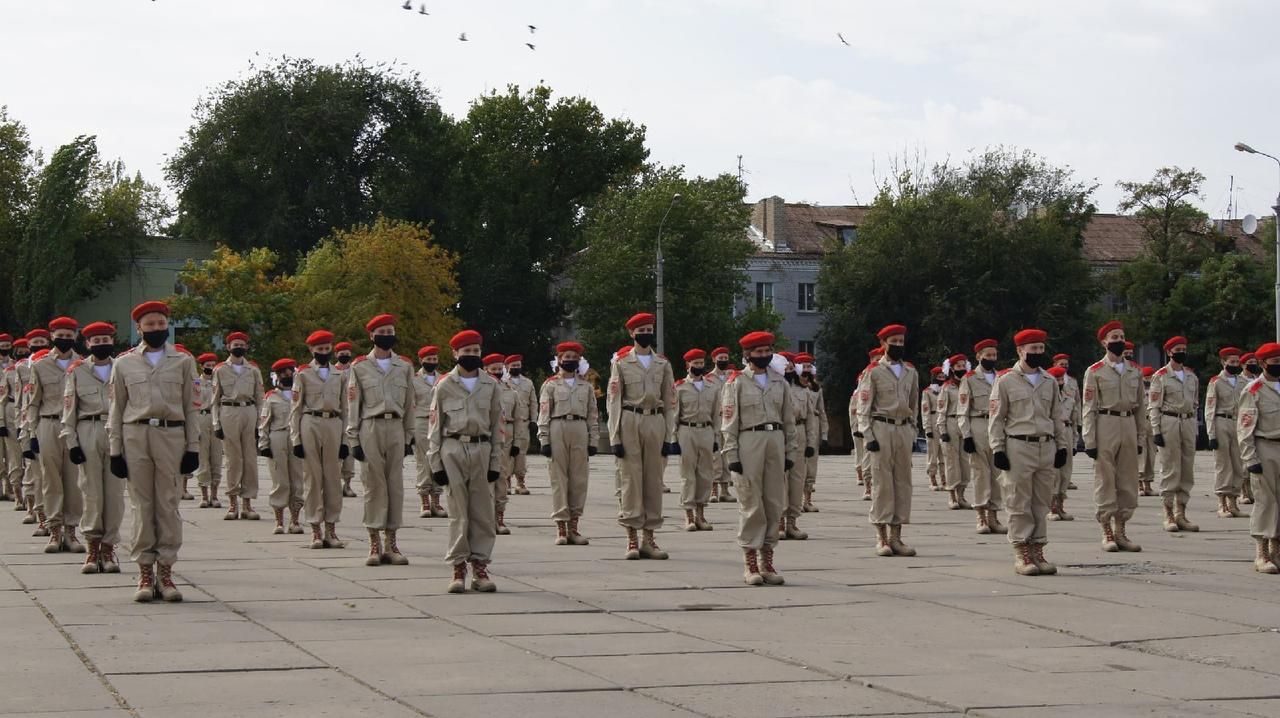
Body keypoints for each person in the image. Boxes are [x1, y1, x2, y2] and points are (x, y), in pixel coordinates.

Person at [108, 301, 199, 602]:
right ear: (139, 328)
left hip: (171, 434)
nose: (157, 329)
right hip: (135, 435)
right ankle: (145, 572)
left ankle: (166, 572)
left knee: (168, 504)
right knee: (142, 505)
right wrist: (115, 450)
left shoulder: (184, 361)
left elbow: (191, 406)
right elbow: (116, 409)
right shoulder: (124, 364)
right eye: (150, 325)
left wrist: (193, 447)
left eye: (161, 324)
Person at [426, 329, 503, 592]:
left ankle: (480, 567)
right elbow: (434, 428)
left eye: (475, 351)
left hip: (481, 448)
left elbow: (496, 427)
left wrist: (495, 462)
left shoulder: (491, 385)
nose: (471, 355)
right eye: (466, 351)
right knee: (458, 511)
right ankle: (458, 567)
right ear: (455, 354)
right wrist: (435, 464)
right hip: (453, 448)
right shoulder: (444, 385)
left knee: (482, 512)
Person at [990, 329, 1069, 575]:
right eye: (1032, 349)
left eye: (1040, 348)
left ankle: (1038, 548)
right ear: (1020, 351)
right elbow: (996, 417)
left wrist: (1062, 445)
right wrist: (997, 448)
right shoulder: (1005, 380)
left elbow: (1057, 416)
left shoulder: (1048, 381)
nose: (1037, 353)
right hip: (1018, 445)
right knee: (1017, 500)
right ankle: (1022, 551)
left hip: (1045, 446)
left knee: (1041, 501)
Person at [721, 331, 797, 585]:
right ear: (747, 355)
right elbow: (729, 422)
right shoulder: (737, 382)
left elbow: (789, 421)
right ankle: (750, 563)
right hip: (749, 441)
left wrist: (789, 451)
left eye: (767, 351)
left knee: (774, 503)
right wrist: (732, 454)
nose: (763, 356)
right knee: (751, 503)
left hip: (775, 441)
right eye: (758, 352)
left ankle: (768, 561)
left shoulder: (780, 382)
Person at [606, 313, 678, 560]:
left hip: (655, 420)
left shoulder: (663, 364)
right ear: (632, 334)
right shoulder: (622, 363)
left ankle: (649, 538)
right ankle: (631, 539)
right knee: (630, 480)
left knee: (653, 481)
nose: (646, 333)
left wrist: (670, 436)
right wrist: (615, 437)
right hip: (630, 419)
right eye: (641, 330)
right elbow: (614, 401)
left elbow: (670, 402)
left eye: (649, 329)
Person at [346, 314, 415, 567]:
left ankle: (392, 543)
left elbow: (410, 404)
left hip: (395, 427)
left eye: (391, 330)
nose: (388, 335)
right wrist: (353, 438)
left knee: (395, 486)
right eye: (382, 331)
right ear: (372, 336)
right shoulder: (360, 366)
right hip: (371, 426)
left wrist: (409, 436)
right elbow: (354, 404)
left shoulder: (405, 366)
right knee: (374, 486)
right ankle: (374, 543)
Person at [1082, 320, 1145, 552]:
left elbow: (1141, 407)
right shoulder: (1095, 371)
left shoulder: (1135, 370)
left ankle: (1121, 530)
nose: (1119, 341)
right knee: (1106, 478)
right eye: (1114, 338)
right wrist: (1089, 439)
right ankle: (1106, 530)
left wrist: (1140, 437)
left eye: (1121, 337)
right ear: (1104, 342)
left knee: (1128, 479)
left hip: (1128, 422)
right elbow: (1088, 406)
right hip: (1105, 422)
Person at [63, 322, 121, 573]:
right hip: (88, 429)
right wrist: (71, 442)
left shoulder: (123, 368)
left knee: (115, 495)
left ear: (112, 341)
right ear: (87, 344)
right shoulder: (77, 371)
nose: (101, 344)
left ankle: (109, 548)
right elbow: (69, 410)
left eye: (105, 340)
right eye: (95, 341)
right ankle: (92, 547)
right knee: (91, 492)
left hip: (117, 431)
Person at [857, 324, 919, 557]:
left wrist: (912, 431)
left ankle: (897, 536)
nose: (898, 345)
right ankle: (881, 536)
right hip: (881, 427)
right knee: (882, 483)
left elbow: (914, 404)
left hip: (902, 427)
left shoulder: (910, 371)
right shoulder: (872, 372)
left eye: (901, 341)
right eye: (894, 341)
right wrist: (868, 434)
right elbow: (864, 407)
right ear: (883, 344)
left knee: (903, 483)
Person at [26, 316, 84, 553]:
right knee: (50, 480)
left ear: (75, 337)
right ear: (52, 336)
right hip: (48, 424)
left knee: (73, 481)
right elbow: (33, 402)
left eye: (69, 336)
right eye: (60, 336)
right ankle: (54, 530)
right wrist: (31, 433)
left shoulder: (83, 364)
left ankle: (71, 531)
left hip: (75, 427)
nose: (64, 340)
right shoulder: (39, 365)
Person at [289, 330, 349, 549]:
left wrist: (345, 440)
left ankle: (331, 529)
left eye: (327, 348)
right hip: (310, 422)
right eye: (319, 349)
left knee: (333, 477)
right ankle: (315, 528)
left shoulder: (339, 375)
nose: (324, 352)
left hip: (333, 422)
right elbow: (295, 408)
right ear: (311, 350)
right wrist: (296, 439)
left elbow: (346, 408)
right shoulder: (303, 374)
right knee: (313, 478)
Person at [539, 342, 599, 544]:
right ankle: (561, 527)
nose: (570, 361)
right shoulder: (550, 385)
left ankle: (574, 527)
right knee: (559, 480)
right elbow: (544, 414)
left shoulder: (586, 386)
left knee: (579, 480)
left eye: (574, 358)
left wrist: (594, 439)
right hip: (558, 427)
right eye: (567, 357)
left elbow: (592, 414)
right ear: (559, 359)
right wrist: (544, 439)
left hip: (580, 428)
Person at [1148, 335, 1200, 532]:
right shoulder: (1160, 376)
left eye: (1183, 349)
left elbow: (1195, 404)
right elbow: (1154, 406)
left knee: (1187, 470)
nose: (1181, 353)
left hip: (1187, 421)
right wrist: (1156, 430)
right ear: (1169, 352)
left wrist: (1193, 427)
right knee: (1171, 469)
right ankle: (1168, 513)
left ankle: (1181, 513)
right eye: (1177, 349)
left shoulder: (1191, 377)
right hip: (1168, 421)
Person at [1238, 342, 1280, 574]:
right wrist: (1250, 458)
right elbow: (1244, 429)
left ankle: (1277, 549)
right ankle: (1261, 553)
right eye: (1275, 363)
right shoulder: (1253, 390)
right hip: (1265, 447)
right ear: (1263, 364)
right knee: (1266, 501)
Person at [212, 331, 263, 520]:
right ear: (228, 347)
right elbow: (214, 400)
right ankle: (233, 503)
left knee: (250, 459)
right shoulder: (220, 370)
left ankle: (248, 503)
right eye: (235, 345)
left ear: (247, 347)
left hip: (249, 410)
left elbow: (260, 397)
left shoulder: (254, 370)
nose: (238, 347)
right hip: (228, 411)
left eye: (242, 344)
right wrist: (216, 423)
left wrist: (260, 423)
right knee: (233, 460)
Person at [959, 340, 1008, 533]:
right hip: (978, 423)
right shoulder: (969, 378)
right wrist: (967, 435)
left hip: (997, 426)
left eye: (994, 355)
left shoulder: (1001, 378)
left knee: (997, 473)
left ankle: (993, 516)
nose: (991, 359)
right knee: (980, 473)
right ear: (978, 356)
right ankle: (980, 515)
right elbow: (962, 409)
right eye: (987, 355)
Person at [671, 348, 718, 532]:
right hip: (686, 430)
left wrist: (715, 437)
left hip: (706, 430)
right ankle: (689, 515)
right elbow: (674, 414)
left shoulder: (711, 387)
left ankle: (701, 514)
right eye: (695, 363)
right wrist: (673, 439)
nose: (698, 366)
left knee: (706, 474)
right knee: (688, 474)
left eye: (701, 363)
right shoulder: (680, 387)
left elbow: (716, 415)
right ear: (687, 365)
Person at [259, 359, 304, 535]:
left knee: (297, 480)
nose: (287, 375)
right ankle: (279, 521)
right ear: (277, 376)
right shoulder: (271, 397)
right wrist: (264, 444)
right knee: (280, 480)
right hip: (277, 436)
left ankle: (295, 520)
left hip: (296, 437)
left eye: (289, 372)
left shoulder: (300, 394)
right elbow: (264, 422)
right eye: (283, 373)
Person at [484, 353, 527, 535]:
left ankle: (499, 518)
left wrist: (517, 441)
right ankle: (484, 519)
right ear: (486, 370)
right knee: (483, 480)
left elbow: (518, 419)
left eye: (499, 369)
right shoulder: (480, 388)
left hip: (505, 436)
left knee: (501, 477)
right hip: (484, 437)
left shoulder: (511, 391)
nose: (497, 372)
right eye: (493, 369)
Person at [18, 330, 51, 535]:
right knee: (34, 475)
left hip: (51, 427)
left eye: (42, 341)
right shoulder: (21, 368)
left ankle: (58, 521)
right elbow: (23, 404)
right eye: (35, 342)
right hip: (30, 427)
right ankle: (39, 514)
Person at [1206, 347, 1246, 518]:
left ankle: (1234, 502)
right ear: (1223, 362)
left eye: (1237, 362)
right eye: (1232, 362)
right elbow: (1209, 409)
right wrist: (1211, 434)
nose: (1235, 365)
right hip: (1221, 421)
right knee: (1223, 464)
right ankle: (1222, 502)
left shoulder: (1243, 382)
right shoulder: (1216, 382)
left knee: (1238, 464)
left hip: (1238, 423)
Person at [780, 353, 814, 540]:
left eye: (791, 368)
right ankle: (779, 522)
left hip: (799, 432)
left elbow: (810, 419)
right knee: (779, 479)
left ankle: (792, 522)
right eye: (785, 368)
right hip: (780, 434)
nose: (789, 371)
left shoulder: (804, 390)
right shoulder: (774, 388)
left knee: (797, 479)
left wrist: (811, 442)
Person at [411, 345, 447, 519]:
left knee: (439, 460)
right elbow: (409, 405)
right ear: (421, 360)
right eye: (428, 359)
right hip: (421, 421)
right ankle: (424, 499)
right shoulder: (414, 380)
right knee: (423, 461)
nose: (432, 362)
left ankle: (437, 500)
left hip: (439, 423)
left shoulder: (443, 379)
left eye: (434, 359)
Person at [935, 354, 972, 512]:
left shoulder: (968, 385)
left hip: (965, 423)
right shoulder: (946, 387)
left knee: (965, 461)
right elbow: (941, 410)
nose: (962, 369)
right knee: (951, 461)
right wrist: (942, 430)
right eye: (958, 366)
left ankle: (962, 494)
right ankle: (952, 495)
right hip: (950, 422)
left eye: (963, 365)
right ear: (951, 369)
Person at [1047, 353, 1081, 520]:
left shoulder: (1071, 387)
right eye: (1057, 380)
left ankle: (1061, 505)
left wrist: (1075, 439)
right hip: (1052, 433)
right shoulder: (1046, 388)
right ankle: (1052, 507)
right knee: (1054, 471)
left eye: (1061, 380)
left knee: (1066, 470)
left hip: (1067, 431)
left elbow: (1076, 410)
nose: (1060, 382)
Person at [796, 353, 827, 512]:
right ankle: (795, 500)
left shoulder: (816, 388)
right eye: (804, 366)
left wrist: (825, 433)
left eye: (809, 366)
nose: (807, 369)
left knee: (812, 464)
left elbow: (821, 411)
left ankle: (807, 500)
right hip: (797, 427)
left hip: (813, 425)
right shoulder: (792, 386)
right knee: (797, 465)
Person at [2, 338, 29, 518]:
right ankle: (18, 494)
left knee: (30, 457)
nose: (22, 352)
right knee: (14, 456)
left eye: (24, 348)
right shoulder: (10, 371)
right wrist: (2, 422)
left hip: (33, 413)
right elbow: (3, 397)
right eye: (19, 349)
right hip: (13, 411)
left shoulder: (40, 366)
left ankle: (31, 496)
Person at [193, 352, 223, 508]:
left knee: (216, 458)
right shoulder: (196, 383)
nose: (210, 368)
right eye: (207, 366)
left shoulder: (219, 383)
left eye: (213, 365)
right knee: (203, 458)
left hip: (216, 418)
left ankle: (215, 495)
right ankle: (204, 496)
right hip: (201, 418)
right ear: (202, 366)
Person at [504, 354, 536, 496]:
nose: (516, 368)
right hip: (508, 423)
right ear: (507, 367)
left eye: (518, 365)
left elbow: (534, 402)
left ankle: (520, 481)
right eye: (513, 366)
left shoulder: (528, 383)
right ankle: (506, 481)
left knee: (521, 453)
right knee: (507, 453)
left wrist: (534, 420)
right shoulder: (504, 382)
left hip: (523, 423)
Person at [707, 346, 736, 502]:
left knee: (727, 454)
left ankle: (725, 490)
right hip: (715, 419)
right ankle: (714, 489)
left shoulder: (732, 377)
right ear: (714, 359)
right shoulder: (708, 379)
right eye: (720, 358)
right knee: (715, 455)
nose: (723, 361)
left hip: (730, 419)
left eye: (725, 358)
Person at [334, 342, 359, 497]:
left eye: (347, 353)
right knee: (336, 452)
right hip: (336, 415)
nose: (345, 356)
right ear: (336, 355)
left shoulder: (356, 371)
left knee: (349, 452)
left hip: (352, 415)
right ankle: (334, 483)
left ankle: (347, 484)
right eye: (342, 353)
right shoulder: (332, 371)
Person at [1240, 352, 1261, 505]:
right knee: (1243, 460)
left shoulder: (1258, 381)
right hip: (1242, 422)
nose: (1253, 364)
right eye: (1250, 362)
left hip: (1257, 423)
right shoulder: (1239, 381)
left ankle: (1252, 491)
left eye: (1255, 361)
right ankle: (1243, 491)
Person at [921, 367, 946, 492]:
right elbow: (925, 410)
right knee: (933, 452)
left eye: (943, 376)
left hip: (945, 422)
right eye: (939, 376)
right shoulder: (928, 392)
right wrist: (927, 427)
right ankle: (932, 478)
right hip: (933, 419)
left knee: (945, 453)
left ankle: (944, 479)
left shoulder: (947, 389)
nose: (941, 379)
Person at [1138, 366, 1158, 496]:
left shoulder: (1156, 390)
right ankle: (1139, 484)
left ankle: (1148, 485)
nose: (1147, 380)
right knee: (1140, 455)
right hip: (1141, 422)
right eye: (1145, 377)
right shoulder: (1138, 391)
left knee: (1152, 455)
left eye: (1149, 377)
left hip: (1152, 423)